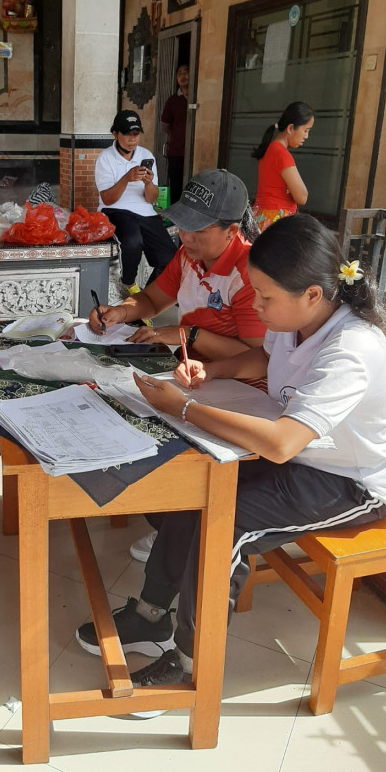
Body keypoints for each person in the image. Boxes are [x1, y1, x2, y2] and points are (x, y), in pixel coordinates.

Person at [77, 213, 386, 697]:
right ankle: (151, 614)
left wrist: (184, 407)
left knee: (226, 521)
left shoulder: (351, 347)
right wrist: (212, 372)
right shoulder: (297, 319)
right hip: (303, 458)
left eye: (266, 298)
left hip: (351, 481)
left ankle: (192, 662)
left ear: (313, 294)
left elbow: (282, 441)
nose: (258, 307)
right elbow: (264, 359)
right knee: (198, 487)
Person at [89, 168, 266, 561]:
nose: (185, 237)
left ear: (231, 230)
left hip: (244, 390)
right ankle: (167, 513)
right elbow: (153, 299)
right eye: (182, 225)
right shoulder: (190, 256)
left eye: (197, 229)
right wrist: (119, 312)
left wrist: (188, 334)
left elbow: (258, 358)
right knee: (125, 407)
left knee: (166, 435)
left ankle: (182, 529)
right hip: (195, 372)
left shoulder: (247, 273)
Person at [95, 110, 176, 299]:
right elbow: (107, 199)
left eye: (136, 134)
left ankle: (146, 298)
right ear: (115, 134)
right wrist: (127, 178)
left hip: (146, 212)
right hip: (115, 210)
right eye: (127, 134)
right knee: (133, 241)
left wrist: (148, 183)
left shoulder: (146, 155)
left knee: (170, 258)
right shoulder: (105, 158)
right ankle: (129, 282)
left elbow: (152, 199)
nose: (132, 139)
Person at [251, 101, 314, 231]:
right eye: (305, 130)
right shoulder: (282, 154)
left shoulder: (269, 149)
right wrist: (291, 189)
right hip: (277, 220)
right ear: (290, 128)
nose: (306, 136)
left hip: (261, 216)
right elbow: (302, 197)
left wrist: (291, 188)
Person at [160, 63, 189, 204]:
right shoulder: (172, 101)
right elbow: (165, 126)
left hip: (195, 151)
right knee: (176, 187)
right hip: (177, 151)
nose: (183, 76)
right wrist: (179, 134)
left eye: (186, 72)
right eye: (179, 73)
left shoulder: (199, 96)